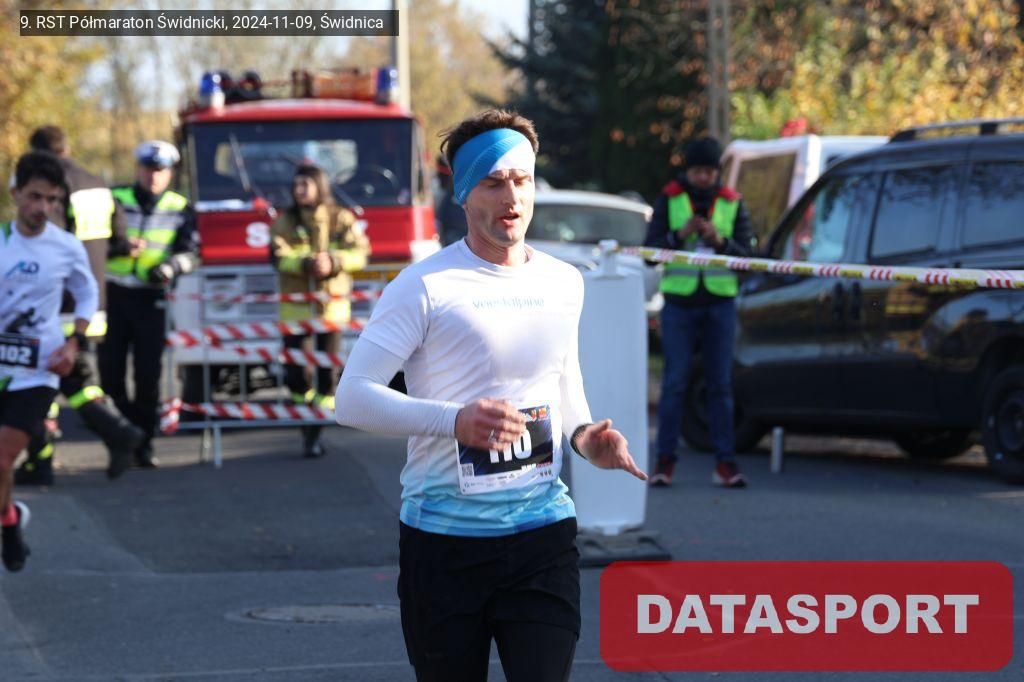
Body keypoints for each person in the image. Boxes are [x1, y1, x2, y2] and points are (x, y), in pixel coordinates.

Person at [335, 109, 646, 682]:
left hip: (542, 534)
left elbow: (564, 384)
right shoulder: (424, 286)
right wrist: (454, 421)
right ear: (464, 193)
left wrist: (584, 437)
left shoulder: (563, 280)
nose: (512, 197)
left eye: (522, 180)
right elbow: (352, 398)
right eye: (493, 182)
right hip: (443, 543)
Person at [14, 126, 142, 485]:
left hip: (56, 302)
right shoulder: (98, 184)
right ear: (67, 148)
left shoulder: (52, 186)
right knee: (70, 379)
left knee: (38, 380)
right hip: (93, 300)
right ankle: (52, 456)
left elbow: (43, 239)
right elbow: (119, 239)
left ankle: (49, 457)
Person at [1, 152, 99, 571]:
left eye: (52, 199)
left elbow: (88, 293)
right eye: (35, 197)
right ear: (15, 193)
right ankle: (9, 520)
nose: (43, 208)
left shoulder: (65, 246)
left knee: (1, 459)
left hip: (37, 372)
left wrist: (74, 343)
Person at [644, 136, 755, 488]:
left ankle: (725, 464)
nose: (704, 177)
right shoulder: (670, 198)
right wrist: (680, 235)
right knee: (675, 383)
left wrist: (720, 242)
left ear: (717, 172)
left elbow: (747, 258)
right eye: (698, 171)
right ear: (688, 171)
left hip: (720, 304)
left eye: (709, 171)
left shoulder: (733, 202)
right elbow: (650, 253)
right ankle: (664, 462)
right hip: (679, 304)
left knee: (720, 385)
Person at [99, 141, 198, 469]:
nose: (152, 176)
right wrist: (119, 248)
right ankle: (125, 431)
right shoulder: (115, 198)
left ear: (169, 174)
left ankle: (143, 441)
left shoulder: (180, 206)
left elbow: (192, 252)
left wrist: (169, 268)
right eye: (147, 169)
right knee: (110, 376)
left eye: (159, 170)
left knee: (148, 376)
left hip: (151, 298)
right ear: (137, 169)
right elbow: (93, 241)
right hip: (114, 296)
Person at [271, 163, 369, 458]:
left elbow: (360, 253)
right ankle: (306, 421)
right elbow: (277, 255)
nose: (299, 190)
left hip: (331, 309)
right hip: (295, 310)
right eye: (296, 185)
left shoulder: (341, 218)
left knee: (327, 375)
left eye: (305, 184)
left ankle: (315, 430)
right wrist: (304, 264)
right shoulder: (285, 221)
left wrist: (333, 262)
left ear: (320, 186)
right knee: (296, 375)